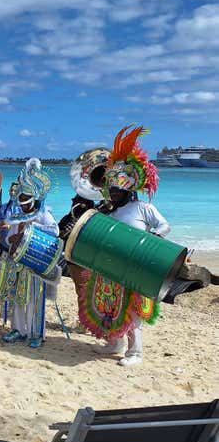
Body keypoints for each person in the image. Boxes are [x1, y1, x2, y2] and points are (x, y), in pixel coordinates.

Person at [81, 126, 169, 366]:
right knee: (110, 305)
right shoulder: (110, 212)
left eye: (118, 191)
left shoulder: (143, 208)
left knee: (132, 311)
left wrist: (152, 243)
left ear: (128, 189)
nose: (114, 195)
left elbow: (163, 227)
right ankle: (114, 343)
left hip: (135, 266)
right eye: (112, 191)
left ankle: (135, 352)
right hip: (112, 267)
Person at [0, 159, 59, 348]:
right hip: (17, 262)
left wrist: (30, 229)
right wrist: (12, 240)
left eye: (26, 203)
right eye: (21, 203)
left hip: (34, 262)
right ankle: (18, 329)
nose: (23, 206)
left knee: (34, 299)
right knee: (17, 298)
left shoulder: (43, 214)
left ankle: (36, 333)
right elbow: (10, 237)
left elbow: (55, 232)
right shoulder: (17, 215)